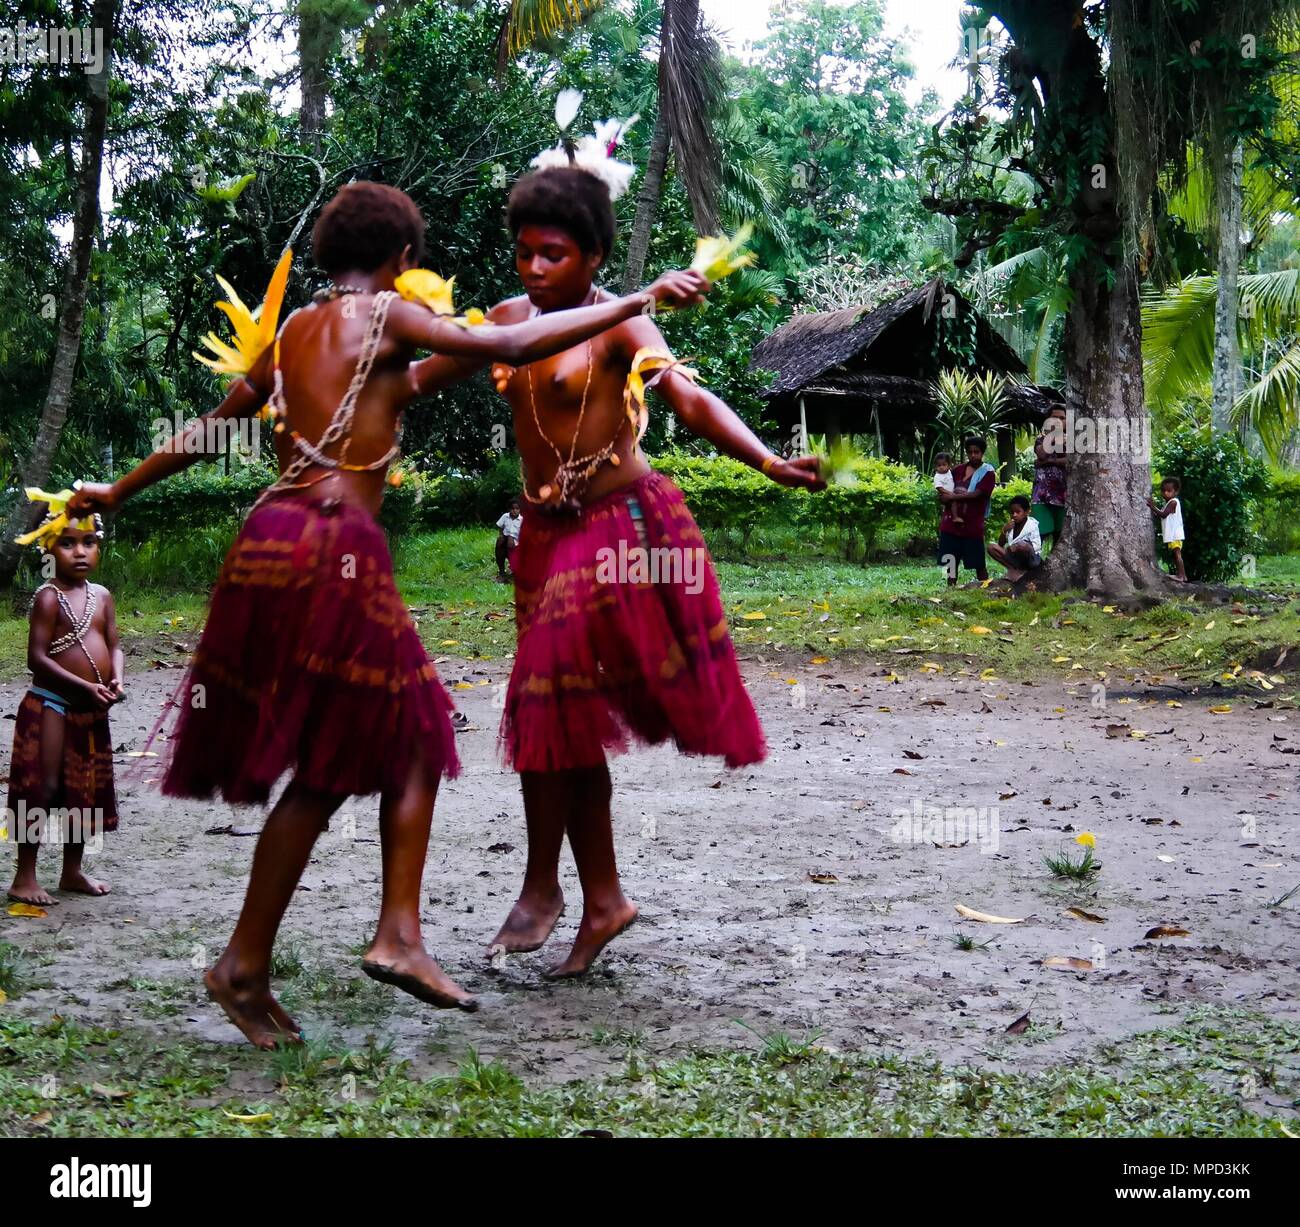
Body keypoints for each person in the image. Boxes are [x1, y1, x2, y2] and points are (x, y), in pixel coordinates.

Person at [68, 181, 711, 1048]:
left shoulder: (296, 333)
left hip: (270, 539)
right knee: (412, 742)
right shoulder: (387, 316)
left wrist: (116, 488)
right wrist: (636, 299)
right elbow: (511, 338)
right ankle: (396, 937)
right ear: (402, 261)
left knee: (338, 766)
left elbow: (214, 427)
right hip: (335, 547)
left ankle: (245, 965)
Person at [411, 155, 824, 978]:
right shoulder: (506, 317)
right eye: (524, 251)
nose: (533, 267)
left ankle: (547, 890)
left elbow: (690, 399)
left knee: (543, 685)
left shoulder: (621, 321)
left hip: (620, 528)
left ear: (596, 257)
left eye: (553, 253)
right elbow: (418, 373)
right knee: (553, 713)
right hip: (540, 534)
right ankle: (593, 897)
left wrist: (767, 460)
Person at [6, 514, 121, 907]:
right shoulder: (48, 597)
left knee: (83, 791)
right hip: (51, 705)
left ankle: (72, 871)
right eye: (68, 543)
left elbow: (115, 645)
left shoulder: (102, 596)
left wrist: (116, 678)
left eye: (88, 542)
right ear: (49, 551)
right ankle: (24, 877)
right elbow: (36, 658)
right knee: (42, 788)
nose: (80, 551)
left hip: (92, 710)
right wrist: (85, 685)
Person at [937, 436, 996, 585]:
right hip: (951, 522)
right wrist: (945, 497)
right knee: (950, 559)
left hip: (972, 523)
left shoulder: (988, 473)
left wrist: (952, 497)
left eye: (977, 452)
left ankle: (986, 588)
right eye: (970, 452)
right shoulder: (957, 470)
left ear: (982, 453)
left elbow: (978, 494)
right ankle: (950, 589)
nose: (973, 455)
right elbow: (943, 489)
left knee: (978, 562)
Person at [1032, 405, 1069, 551]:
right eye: (1055, 418)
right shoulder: (1041, 439)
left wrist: (1048, 462)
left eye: (1062, 418)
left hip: (1064, 494)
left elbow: (1070, 461)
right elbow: (1041, 454)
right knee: (1038, 533)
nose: (1058, 421)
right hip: (1041, 494)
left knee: (1060, 536)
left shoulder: (1073, 439)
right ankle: (1034, 567)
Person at [988, 495, 1042, 581]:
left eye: (1018, 512)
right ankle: (1014, 570)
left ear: (1027, 512)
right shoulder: (1011, 525)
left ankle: (1024, 571)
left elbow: (1037, 547)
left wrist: (1018, 546)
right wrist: (1004, 530)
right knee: (991, 547)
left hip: (1031, 560)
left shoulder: (1032, 525)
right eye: (1012, 512)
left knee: (1022, 545)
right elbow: (1000, 544)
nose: (1014, 515)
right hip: (1015, 559)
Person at [1147, 477, 1187, 582]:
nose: (1166, 493)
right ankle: (1182, 575)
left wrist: (1152, 506)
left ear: (1176, 492)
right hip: (1174, 534)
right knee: (1176, 554)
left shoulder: (1173, 502)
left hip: (1175, 534)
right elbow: (1162, 514)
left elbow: (1164, 514)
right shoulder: (1169, 503)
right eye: (1164, 491)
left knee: (1177, 554)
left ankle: (1181, 575)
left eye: (1169, 491)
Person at [495, 498, 523, 581]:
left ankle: (515, 569)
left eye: (517, 508)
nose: (514, 510)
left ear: (520, 510)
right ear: (509, 509)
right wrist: (502, 536)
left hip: (516, 544)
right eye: (512, 508)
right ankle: (501, 571)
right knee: (499, 542)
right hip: (505, 540)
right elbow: (500, 526)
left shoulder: (522, 520)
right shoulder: (505, 516)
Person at [932, 453, 961, 525]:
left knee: (951, 507)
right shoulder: (937, 476)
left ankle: (949, 520)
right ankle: (955, 517)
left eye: (944, 465)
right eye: (939, 465)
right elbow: (939, 488)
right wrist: (948, 493)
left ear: (948, 465)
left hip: (952, 493)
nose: (941, 467)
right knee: (953, 503)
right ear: (935, 467)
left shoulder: (950, 472)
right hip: (944, 495)